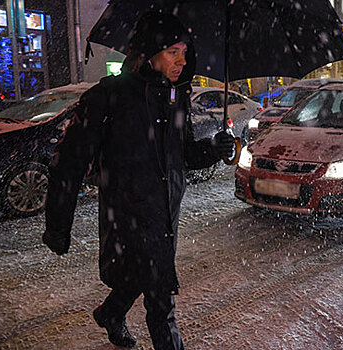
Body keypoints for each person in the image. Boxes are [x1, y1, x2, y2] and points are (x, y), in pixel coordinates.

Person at [42, 12, 234, 350]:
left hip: (164, 214)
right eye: (173, 51)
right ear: (149, 52)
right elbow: (69, 163)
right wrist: (58, 225)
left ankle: (110, 314)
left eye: (185, 52)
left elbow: (184, 154)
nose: (182, 60)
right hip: (127, 216)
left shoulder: (176, 99)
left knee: (136, 276)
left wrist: (213, 150)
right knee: (161, 304)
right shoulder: (108, 97)